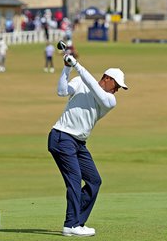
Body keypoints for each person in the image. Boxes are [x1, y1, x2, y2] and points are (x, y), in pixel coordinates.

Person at [48, 53, 128, 237]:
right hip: (62, 137)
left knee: (94, 180)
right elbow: (61, 91)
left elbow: (93, 86)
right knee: (75, 181)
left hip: (79, 143)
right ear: (107, 79)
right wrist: (67, 67)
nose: (116, 91)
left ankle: (78, 222)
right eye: (116, 86)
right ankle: (71, 225)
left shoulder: (109, 100)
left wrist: (76, 64)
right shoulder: (80, 82)